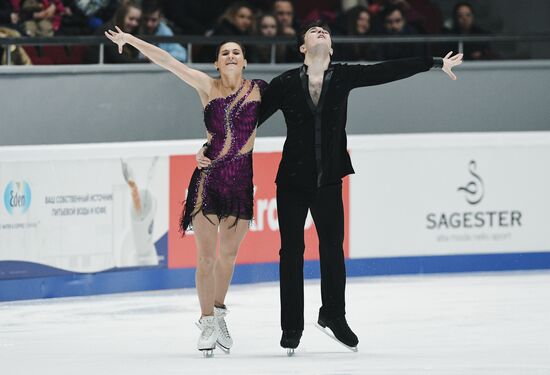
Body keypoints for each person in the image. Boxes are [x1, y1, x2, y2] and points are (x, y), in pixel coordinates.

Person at [197, 20, 462, 353]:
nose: (320, 32)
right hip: (291, 182)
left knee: (333, 250)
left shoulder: (345, 75)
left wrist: (435, 63)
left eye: (325, 32)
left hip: (329, 181)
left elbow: (387, 70)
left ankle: (333, 315)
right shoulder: (286, 83)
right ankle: (291, 326)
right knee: (291, 253)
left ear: (331, 48)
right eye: (312, 32)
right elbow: (245, 122)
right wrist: (210, 147)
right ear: (303, 48)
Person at [105, 26, 267, 356]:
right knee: (206, 257)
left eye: (236, 52)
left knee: (228, 256)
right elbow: (167, 60)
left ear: (245, 61)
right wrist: (131, 40)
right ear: (217, 63)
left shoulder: (259, 91)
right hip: (208, 179)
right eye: (225, 53)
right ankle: (206, 322)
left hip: (240, 181)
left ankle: (219, 311)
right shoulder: (207, 86)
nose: (231, 56)